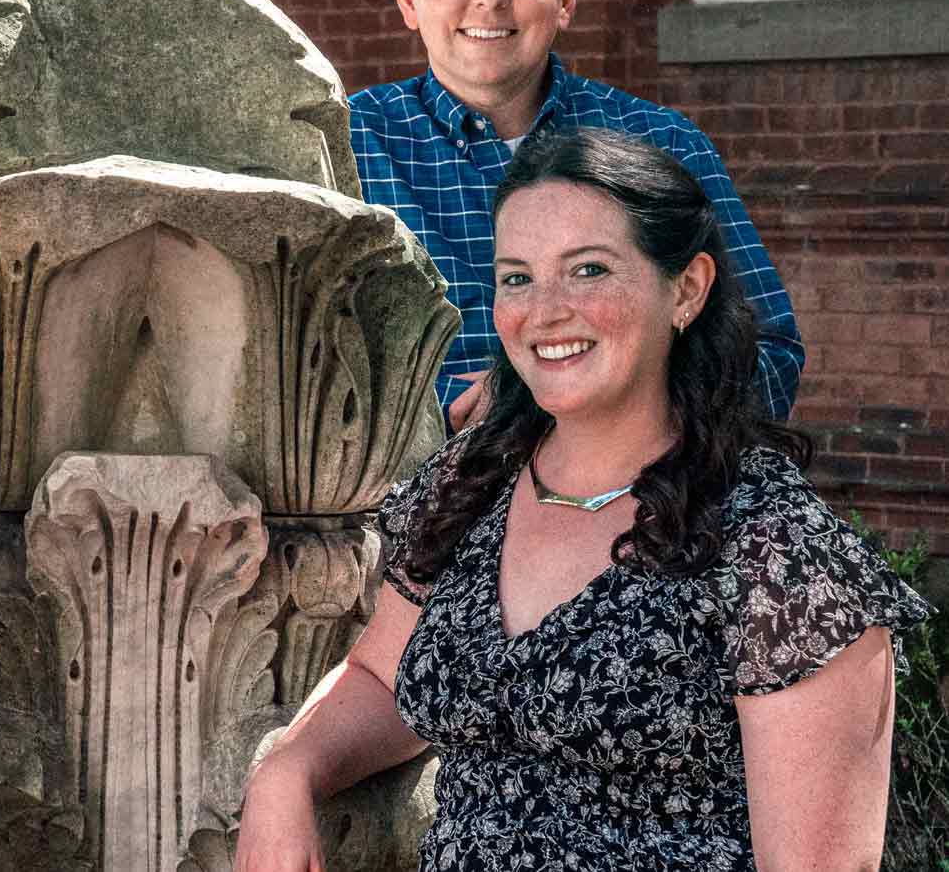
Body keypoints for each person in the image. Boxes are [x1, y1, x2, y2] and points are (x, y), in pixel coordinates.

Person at [236, 127, 931, 871]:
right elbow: (382, 676)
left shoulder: (777, 553)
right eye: (517, 278)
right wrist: (289, 768)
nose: (544, 312)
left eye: (588, 270)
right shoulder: (475, 482)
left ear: (687, 289)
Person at [346, 0, 803, 432]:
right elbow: (298, 358)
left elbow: (771, 354)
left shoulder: (664, 143)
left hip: (643, 496)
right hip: (416, 501)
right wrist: (438, 409)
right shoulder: (344, 145)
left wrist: (552, 400)